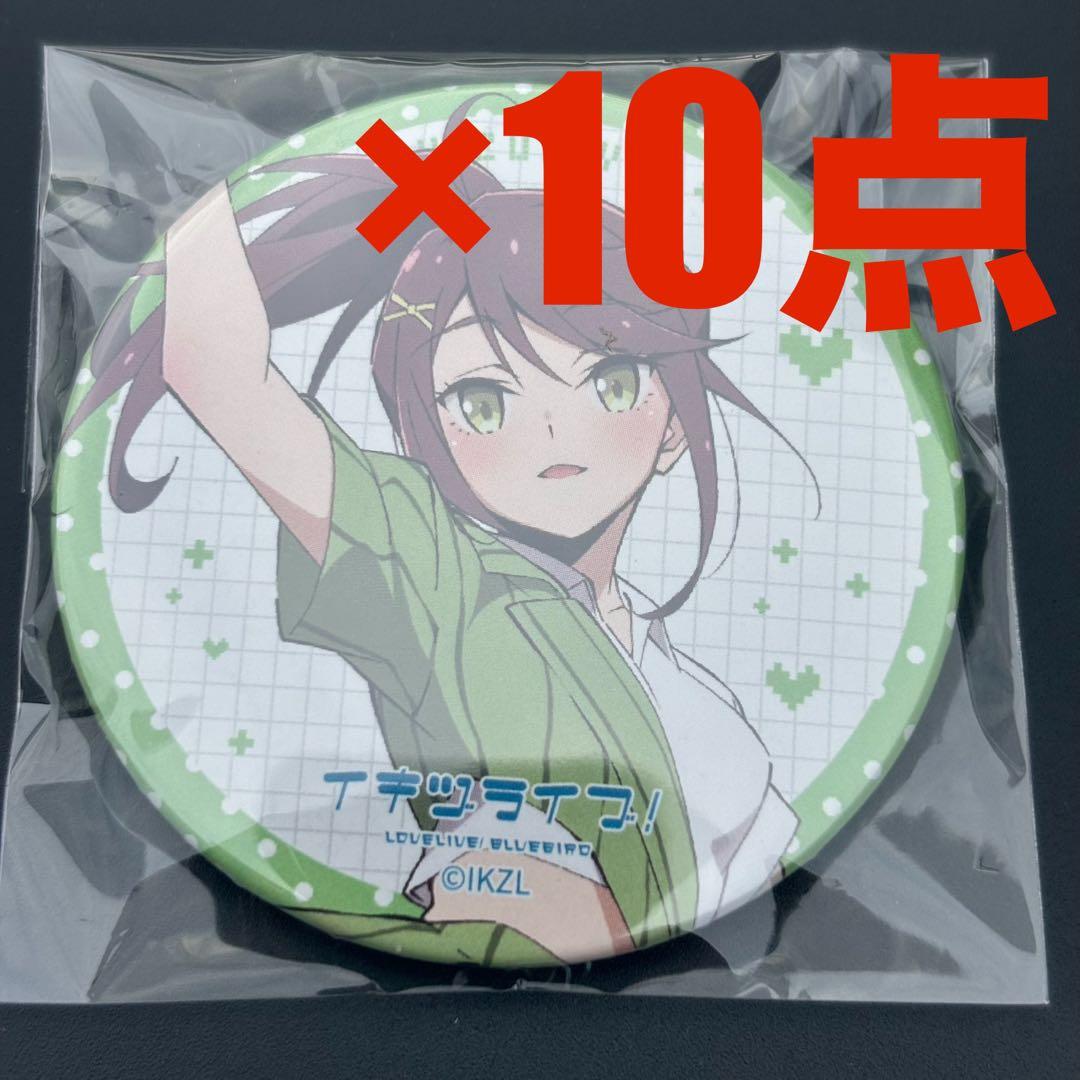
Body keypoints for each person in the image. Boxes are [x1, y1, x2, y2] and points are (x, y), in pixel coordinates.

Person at [69, 143, 805, 963]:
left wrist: (626, 918)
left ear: (673, 427)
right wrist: (188, 185)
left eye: (613, 383)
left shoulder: (686, 680)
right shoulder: (436, 569)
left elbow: (758, 867)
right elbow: (219, 368)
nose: (553, 430)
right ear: (428, 433)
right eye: (484, 401)